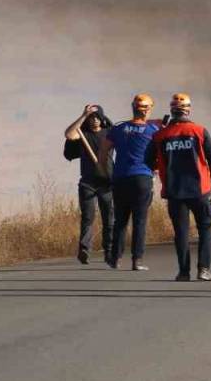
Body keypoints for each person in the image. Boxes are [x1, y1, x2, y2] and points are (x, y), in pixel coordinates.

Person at [146, 93, 211, 282]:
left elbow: (147, 160)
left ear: (172, 110)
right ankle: (203, 269)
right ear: (188, 110)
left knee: (181, 232)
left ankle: (183, 272)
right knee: (205, 228)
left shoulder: (160, 135)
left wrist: (161, 166)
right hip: (200, 190)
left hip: (174, 191)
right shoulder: (200, 131)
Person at [98, 93, 162, 271]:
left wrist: (106, 174)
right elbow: (160, 154)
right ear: (148, 110)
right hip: (142, 178)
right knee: (139, 221)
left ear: (133, 107)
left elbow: (103, 153)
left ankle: (115, 259)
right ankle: (137, 260)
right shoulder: (153, 131)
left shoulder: (118, 128)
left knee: (120, 220)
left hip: (120, 178)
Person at [63, 104, 114, 265]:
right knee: (88, 217)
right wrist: (83, 115)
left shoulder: (109, 134)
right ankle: (84, 249)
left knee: (109, 218)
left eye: (97, 117)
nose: (94, 120)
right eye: (91, 118)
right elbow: (69, 134)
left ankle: (109, 250)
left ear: (102, 118)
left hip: (107, 182)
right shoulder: (82, 134)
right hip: (88, 182)